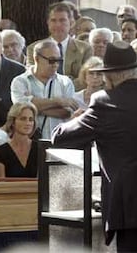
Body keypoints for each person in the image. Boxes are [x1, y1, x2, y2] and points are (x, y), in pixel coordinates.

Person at [51, 41, 137, 252]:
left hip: (130, 204)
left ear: (111, 76)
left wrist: (76, 118)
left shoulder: (104, 102)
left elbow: (60, 137)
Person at [11, 39, 78, 139]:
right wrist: (59, 101)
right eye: (51, 60)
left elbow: (67, 113)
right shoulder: (20, 81)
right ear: (36, 59)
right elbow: (22, 110)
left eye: (58, 61)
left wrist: (34, 106)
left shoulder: (65, 82)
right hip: (29, 142)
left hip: (58, 141)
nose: (55, 65)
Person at [26, 2, 92, 89]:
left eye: (62, 20)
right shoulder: (34, 48)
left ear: (71, 23)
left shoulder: (84, 49)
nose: (58, 25)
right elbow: (33, 77)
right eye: (53, 20)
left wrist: (62, 89)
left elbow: (85, 78)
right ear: (48, 23)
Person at [0, 102, 38, 178]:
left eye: (31, 119)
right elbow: (1, 183)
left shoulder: (39, 149)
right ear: (13, 122)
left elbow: (43, 183)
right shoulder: (1, 152)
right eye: (23, 119)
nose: (28, 123)